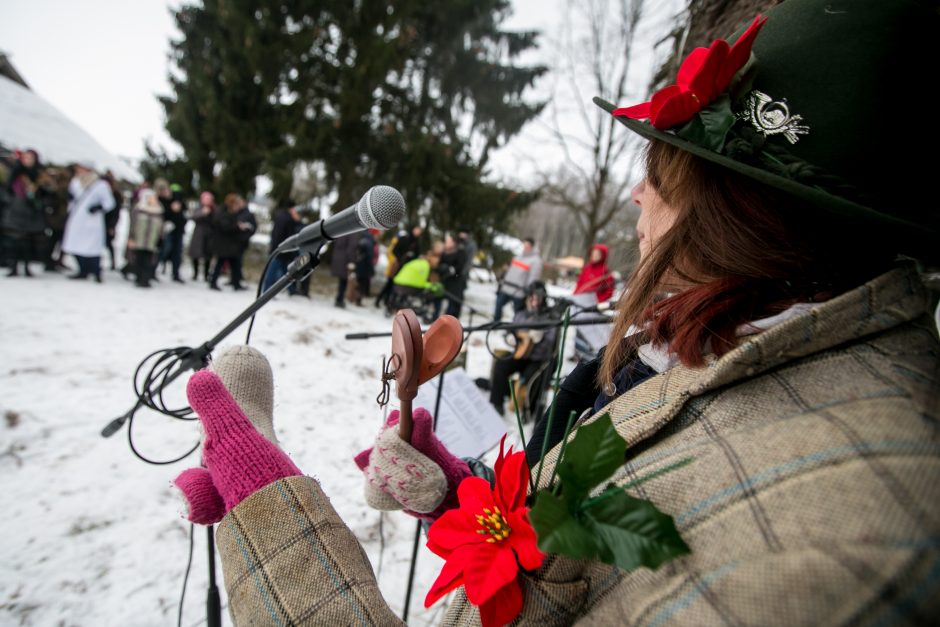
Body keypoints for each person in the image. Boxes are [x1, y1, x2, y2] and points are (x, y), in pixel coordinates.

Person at [172, 2, 940, 625]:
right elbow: (577, 580)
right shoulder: (728, 351)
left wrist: (262, 499)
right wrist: (459, 502)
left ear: (736, 213)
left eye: (663, 174)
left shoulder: (822, 555)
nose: (639, 196)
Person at [488, 281, 558, 415]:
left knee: (530, 379)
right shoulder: (521, 315)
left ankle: (527, 409)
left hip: (538, 359)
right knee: (501, 365)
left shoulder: (549, 317)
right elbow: (512, 332)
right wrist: (510, 338)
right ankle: (497, 401)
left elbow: (550, 342)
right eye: (531, 297)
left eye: (537, 298)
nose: (534, 301)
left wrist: (540, 338)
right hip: (520, 354)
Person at [61, 162, 116, 282]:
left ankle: (96, 271)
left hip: (93, 220)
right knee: (74, 244)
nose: (79, 170)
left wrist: (99, 207)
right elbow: (72, 199)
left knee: (92, 247)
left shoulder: (100, 184)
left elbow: (110, 203)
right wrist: (69, 199)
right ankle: (82, 270)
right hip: (77, 219)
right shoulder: (75, 182)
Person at [2, 149, 46, 277]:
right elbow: (7, 189)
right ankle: (13, 266)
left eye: (30, 158)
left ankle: (27, 267)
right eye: (25, 158)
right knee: (13, 240)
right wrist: (10, 201)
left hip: (32, 212)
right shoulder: (15, 172)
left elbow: (46, 192)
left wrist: (38, 199)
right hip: (16, 210)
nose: (27, 160)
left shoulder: (39, 174)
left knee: (28, 241)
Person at [208, 193, 254, 291]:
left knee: (235, 264)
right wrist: (238, 227)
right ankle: (213, 282)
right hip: (224, 244)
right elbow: (225, 227)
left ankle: (236, 283)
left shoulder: (232, 213)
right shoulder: (223, 212)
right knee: (220, 263)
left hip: (231, 244)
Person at [493, 237, 542, 321]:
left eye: (527, 246)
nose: (525, 248)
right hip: (507, 287)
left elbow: (533, 276)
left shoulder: (535, 261)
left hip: (519, 291)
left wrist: (528, 288)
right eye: (524, 246)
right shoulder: (518, 256)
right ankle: (496, 322)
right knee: (498, 304)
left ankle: (515, 327)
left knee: (517, 311)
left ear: (532, 247)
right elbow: (510, 270)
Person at [374, 224, 423, 308]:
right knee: (389, 284)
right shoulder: (405, 238)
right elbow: (394, 250)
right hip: (397, 265)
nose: (417, 232)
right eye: (417, 229)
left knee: (396, 287)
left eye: (419, 231)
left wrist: (411, 256)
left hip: (406, 268)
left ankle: (388, 302)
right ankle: (379, 300)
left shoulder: (417, 243)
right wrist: (401, 257)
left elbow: (416, 256)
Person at [261, 203, 303, 295]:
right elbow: (289, 234)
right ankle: (267, 290)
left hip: (279, 248)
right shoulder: (288, 219)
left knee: (286, 271)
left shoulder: (281, 217)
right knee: (274, 271)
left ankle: (291, 290)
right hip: (282, 249)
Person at [126, 189, 164, 288]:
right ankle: (139, 278)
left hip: (152, 240)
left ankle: (146, 279)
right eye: (151, 198)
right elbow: (133, 225)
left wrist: (160, 238)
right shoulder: (139, 209)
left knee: (149, 261)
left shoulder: (159, 210)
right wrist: (131, 237)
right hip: (139, 239)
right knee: (139, 259)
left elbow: (161, 226)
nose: (153, 200)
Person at [156, 180, 187, 283]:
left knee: (177, 253)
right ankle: (153, 270)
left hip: (179, 230)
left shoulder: (177, 197)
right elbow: (163, 215)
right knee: (164, 251)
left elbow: (184, 209)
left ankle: (176, 274)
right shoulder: (161, 201)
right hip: (168, 231)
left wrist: (179, 207)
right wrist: (171, 209)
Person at [438, 233, 470, 319]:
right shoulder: (445, 252)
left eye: (448, 241)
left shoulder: (460, 252)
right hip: (445, 280)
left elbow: (460, 266)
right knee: (438, 299)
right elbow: (440, 264)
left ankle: (449, 320)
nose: (446, 243)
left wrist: (452, 269)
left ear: (454, 242)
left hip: (456, 282)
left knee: (453, 303)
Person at [188, 191, 216, 282]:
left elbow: (217, 221)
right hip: (198, 234)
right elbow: (193, 217)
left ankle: (206, 275)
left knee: (208, 256)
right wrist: (203, 213)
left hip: (210, 235)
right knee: (195, 255)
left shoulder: (214, 209)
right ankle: (195, 273)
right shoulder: (199, 208)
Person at [330, 231, 360, 308]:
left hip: (339, 258)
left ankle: (339, 298)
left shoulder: (344, 230)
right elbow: (352, 247)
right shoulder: (353, 232)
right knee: (344, 281)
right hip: (345, 260)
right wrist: (352, 260)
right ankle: (340, 299)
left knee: (342, 281)